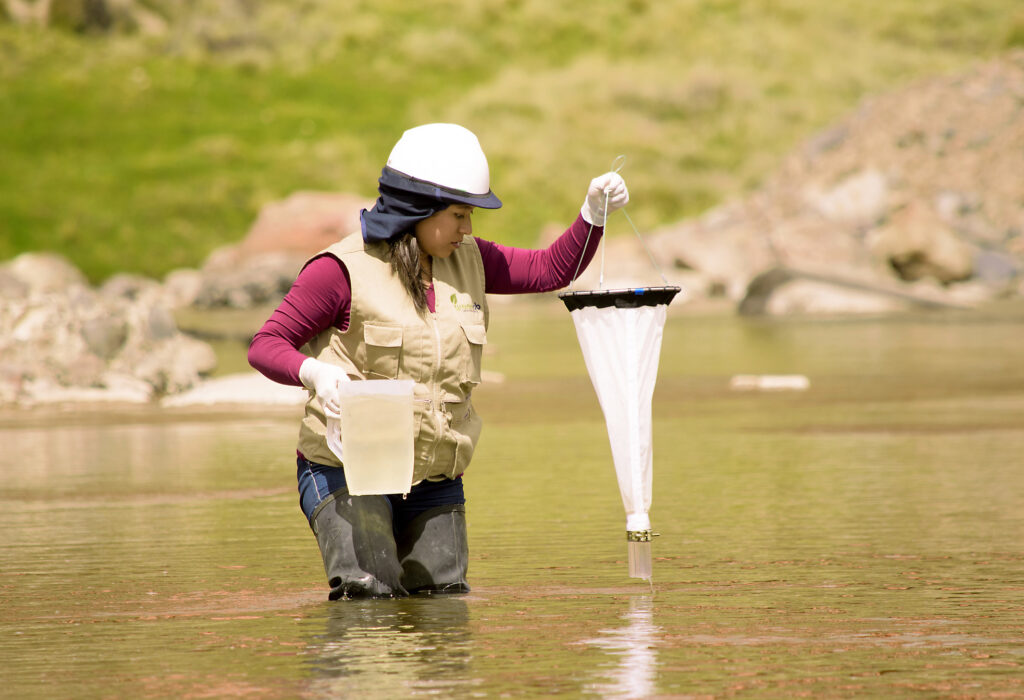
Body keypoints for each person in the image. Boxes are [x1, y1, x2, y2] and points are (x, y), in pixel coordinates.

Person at [248, 123, 628, 600]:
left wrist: (593, 214)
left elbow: (553, 269)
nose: (467, 228)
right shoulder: (339, 270)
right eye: (458, 214)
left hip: (433, 476)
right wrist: (314, 371)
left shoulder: (472, 259)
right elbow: (266, 344)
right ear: (417, 210)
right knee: (370, 598)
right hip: (346, 470)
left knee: (444, 603)